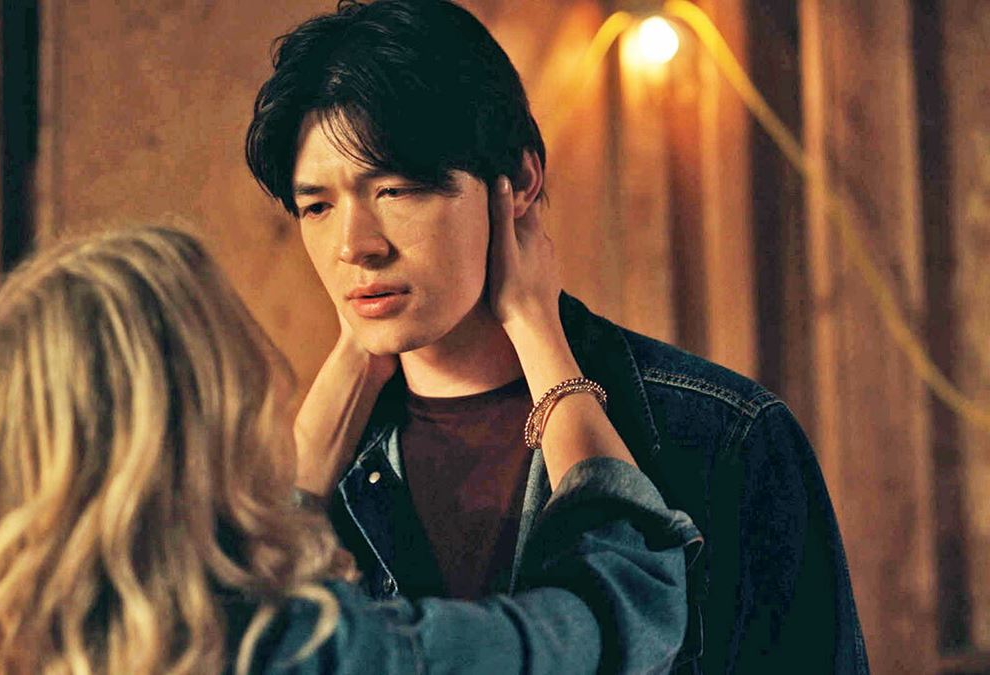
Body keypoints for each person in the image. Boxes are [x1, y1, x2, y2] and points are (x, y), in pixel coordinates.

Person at [244, 1, 869, 673]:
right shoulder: (309, 480)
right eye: (316, 206)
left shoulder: (720, 434)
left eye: (396, 191)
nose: (354, 246)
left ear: (518, 181)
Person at [0, 226, 698, 674]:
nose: (354, 240)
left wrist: (360, 348)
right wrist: (539, 330)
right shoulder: (307, 649)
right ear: (199, 432)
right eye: (316, 203)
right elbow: (618, 611)